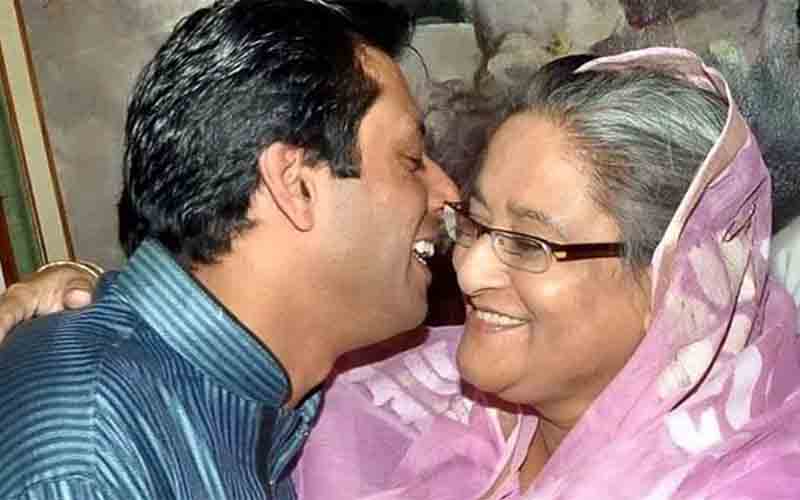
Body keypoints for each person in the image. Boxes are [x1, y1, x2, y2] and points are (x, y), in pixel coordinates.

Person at [4, 48, 800, 499]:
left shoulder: (750, 480)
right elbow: (217, 348)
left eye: (530, 243)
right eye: (478, 223)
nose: (471, 264)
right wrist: (96, 300)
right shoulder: (401, 389)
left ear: (683, 282)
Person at [0, 0, 458, 498]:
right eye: (411, 160)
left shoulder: (257, 404)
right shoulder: (89, 456)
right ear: (295, 184)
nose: (448, 192)